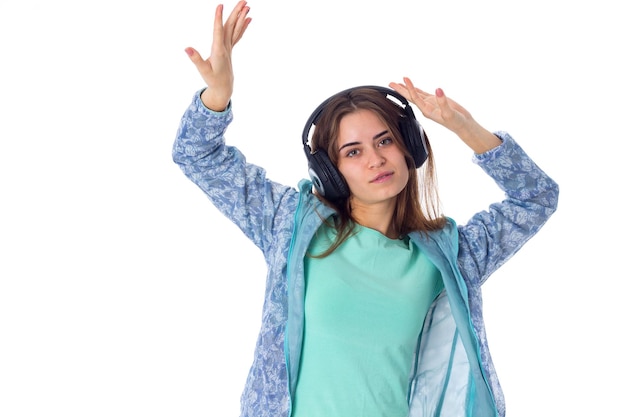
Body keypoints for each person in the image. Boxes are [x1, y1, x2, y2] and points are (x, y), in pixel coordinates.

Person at [172, 2, 559, 417]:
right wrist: (218, 94)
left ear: (408, 147)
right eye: (353, 151)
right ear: (330, 170)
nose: (375, 159)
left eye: (386, 140)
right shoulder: (290, 224)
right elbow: (197, 155)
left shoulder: (449, 256)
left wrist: (466, 129)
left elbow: (535, 197)